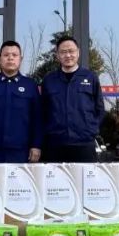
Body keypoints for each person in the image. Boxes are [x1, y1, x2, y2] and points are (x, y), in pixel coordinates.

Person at [39, 35, 105, 163]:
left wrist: (91, 130)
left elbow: (99, 108)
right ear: (57, 55)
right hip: (55, 145)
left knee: (85, 176)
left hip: (84, 144)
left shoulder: (90, 77)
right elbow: (43, 112)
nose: (68, 55)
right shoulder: (49, 80)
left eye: (71, 51)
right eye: (63, 52)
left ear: (78, 52)